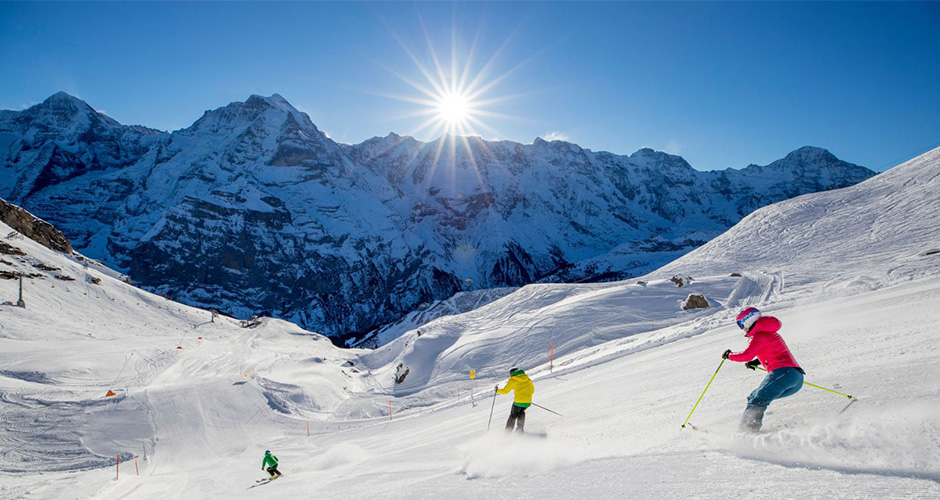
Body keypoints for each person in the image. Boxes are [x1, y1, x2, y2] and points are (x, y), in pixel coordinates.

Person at [723, 307, 805, 432]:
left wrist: (729, 355)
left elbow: (746, 355)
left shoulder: (760, 335)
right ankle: (749, 429)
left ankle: (747, 431)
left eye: (741, 324)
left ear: (748, 321)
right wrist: (757, 362)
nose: (742, 328)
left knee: (758, 400)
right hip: (794, 377)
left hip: (783, 373)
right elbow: (775, 353)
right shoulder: (770, 333)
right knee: (754, 397)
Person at [495, 367, 534, 433]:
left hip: (518, 401)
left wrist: (497, 390)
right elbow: (532, 391)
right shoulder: (527, 378)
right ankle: (520, 429)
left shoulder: (513, 379)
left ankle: (508, 431)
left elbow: (505, 391)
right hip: (528, 401)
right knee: (521, 412)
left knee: (513, 415)